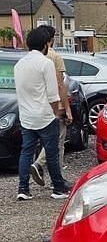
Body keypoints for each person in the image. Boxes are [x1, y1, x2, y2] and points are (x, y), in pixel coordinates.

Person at [13, 26, 72, 200]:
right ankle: (58, 188)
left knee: (26, 152)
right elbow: (53, 94)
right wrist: (58, 112)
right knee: (52, 152)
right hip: (45, 115)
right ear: (45, 44)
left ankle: (23, 189)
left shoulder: (19, 65)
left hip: (26, 116)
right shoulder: (46, 63)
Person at [29, 25, 71, 185]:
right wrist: (66, 109)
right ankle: (54, 177)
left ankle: (26, 183)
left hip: (37, 105)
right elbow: (61, 84)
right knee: (57, 141)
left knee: (35, 143)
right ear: (51, 40)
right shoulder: (54, 57)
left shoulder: (31, 59)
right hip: (55, 105)